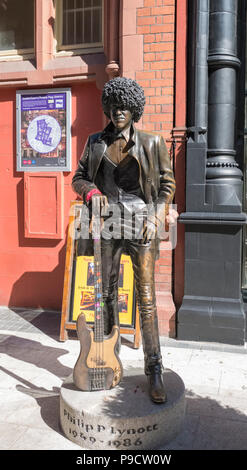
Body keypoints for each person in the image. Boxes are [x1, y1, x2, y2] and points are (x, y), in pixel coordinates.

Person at [72, 77, 176, 403]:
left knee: (146, 299)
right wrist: (90, 193)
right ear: (108, 108)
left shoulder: (153, 143)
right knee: (105, 296)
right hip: (107, 226)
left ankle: (154, 369)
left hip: (142, 225)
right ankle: (108, 358)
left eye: (125, 106)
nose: (119, 112)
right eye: (114, 106)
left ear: (134, 109)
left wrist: (156, 217)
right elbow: (79, 178)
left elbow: (167, 186)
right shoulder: (95, 143)